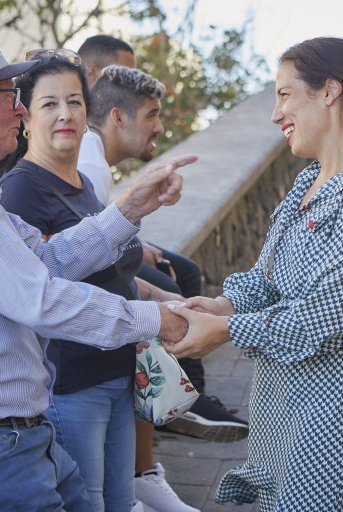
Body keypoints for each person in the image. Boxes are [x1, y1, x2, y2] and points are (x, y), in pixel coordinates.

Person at [0, 27, 195, 512]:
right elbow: (39, 297)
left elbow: (48, 260)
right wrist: (155, 320)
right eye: (8, 95)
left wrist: (129, 208)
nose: (20, 108)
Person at [167, 37, 343, 511]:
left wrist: (224, 330)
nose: (275, 113)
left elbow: (329, 316)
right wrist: (221, 305)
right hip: (288, 396)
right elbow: (267, 278)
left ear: (329, 92)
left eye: (284, 94)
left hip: (341, 403)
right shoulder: (307, 180)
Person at [0, 52, 181, 512]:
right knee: (88, 504)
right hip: (70, 383)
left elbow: (116, 275)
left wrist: (175, 301)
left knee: (119, 501)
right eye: (50, 103)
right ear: (25, 116)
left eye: (75, 101)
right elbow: (39, 287)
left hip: (117, 373)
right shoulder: (21, 189)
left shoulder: (84, 186)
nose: (65, 114)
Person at [78, 34, 249, 445]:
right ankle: (176, 404)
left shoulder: (95, 157)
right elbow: (83, 254)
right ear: (117, 115)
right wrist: (152, 291)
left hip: (99, 267)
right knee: (167, 290)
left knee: (181, 273)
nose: (159, 126)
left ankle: (189, 398)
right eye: (152, 114)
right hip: (86, 309)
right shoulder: (89, 160)